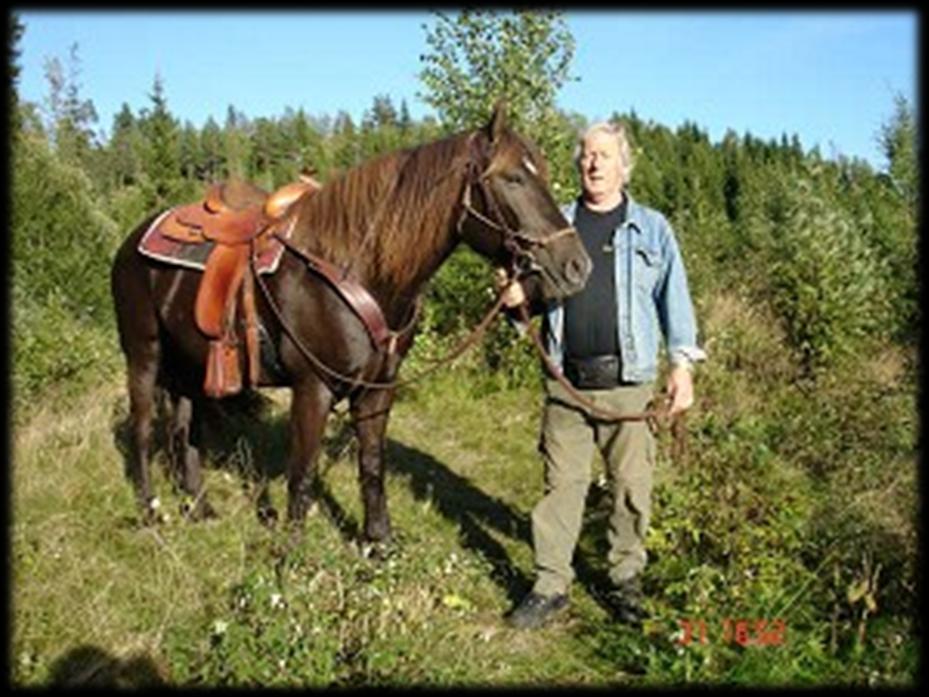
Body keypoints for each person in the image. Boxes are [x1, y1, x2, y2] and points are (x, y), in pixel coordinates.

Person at [501, 121, 706, 630]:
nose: (594, 163)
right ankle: (551, 586)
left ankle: (625, 581)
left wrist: (682, 367)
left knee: (631, 488)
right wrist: (518, 297)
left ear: (624, 165)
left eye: (605, 155)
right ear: (579, 163)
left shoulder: (653, 228)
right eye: (587, 155)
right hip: (566, 384)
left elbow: (674, 301)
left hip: (629, 384)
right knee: (559, 488)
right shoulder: (556, 223)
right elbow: (532, 294)